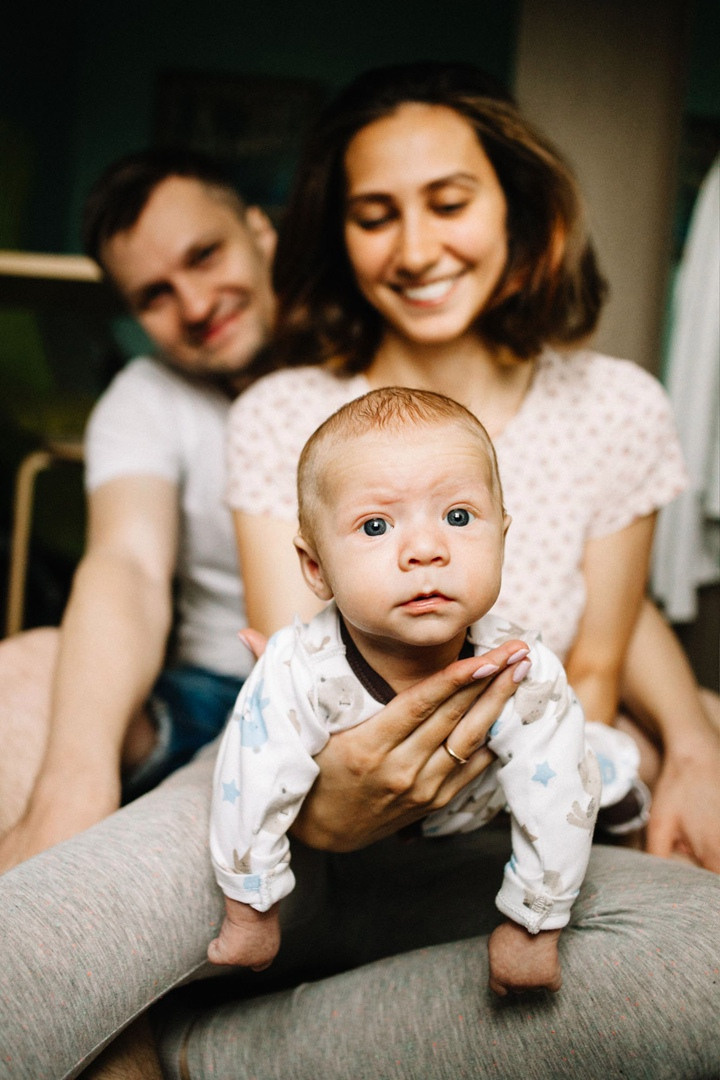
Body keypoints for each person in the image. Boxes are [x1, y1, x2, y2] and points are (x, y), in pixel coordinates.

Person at [0, 65, 718, 1080]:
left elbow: (602, 651)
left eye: (450, 202)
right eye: (376, 215)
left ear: (518, 204)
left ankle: (215, 1052)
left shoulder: (616, 406)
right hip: (291, 804)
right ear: (337, 235)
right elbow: (295, 693)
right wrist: (316, 815)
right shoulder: (286, 412)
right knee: (45, 934)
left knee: (699, 966)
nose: (417, 248)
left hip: (497, 828)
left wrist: (686, 742)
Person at [210, 386, 648, 994]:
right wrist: (250, 908)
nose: (425, 550)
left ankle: (621, 787)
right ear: (316, 569)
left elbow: (557, 797)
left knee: (587, 768)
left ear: (503, 537)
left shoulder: (520, 667)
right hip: (345, 836)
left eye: (459, 517)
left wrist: (533, 926)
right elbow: (251, 782)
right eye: (376, 525)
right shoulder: (298, 669)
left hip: (480, 808)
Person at [0, 147, 278, 870]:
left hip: (354, 689)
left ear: (262, 231)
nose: (193, 304)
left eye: (206, 255)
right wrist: (71, 791)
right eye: (154, 294)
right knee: (27, 666)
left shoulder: (375, 367)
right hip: (205, 690)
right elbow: (127, 562)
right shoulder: (145, 397)